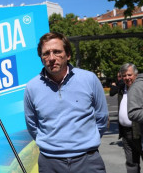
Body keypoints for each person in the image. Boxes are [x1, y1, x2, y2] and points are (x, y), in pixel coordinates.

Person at [24, 32, 108, 173]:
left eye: (57, 52)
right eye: (46, 54)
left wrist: (84, 145)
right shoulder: (32, 87)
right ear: (41, 58)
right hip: (50, 163)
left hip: (87, 161)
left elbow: (102, 118)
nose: (51, 58)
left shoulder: (89, 79)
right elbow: (32, 126)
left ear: (68, 55)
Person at [112, 63, 141, 173]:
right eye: (124, 76)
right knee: (131, 163)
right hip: (126, 133)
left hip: (140, 132)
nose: (127, 78)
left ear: (136, 75)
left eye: (129, 75)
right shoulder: (121, 89)